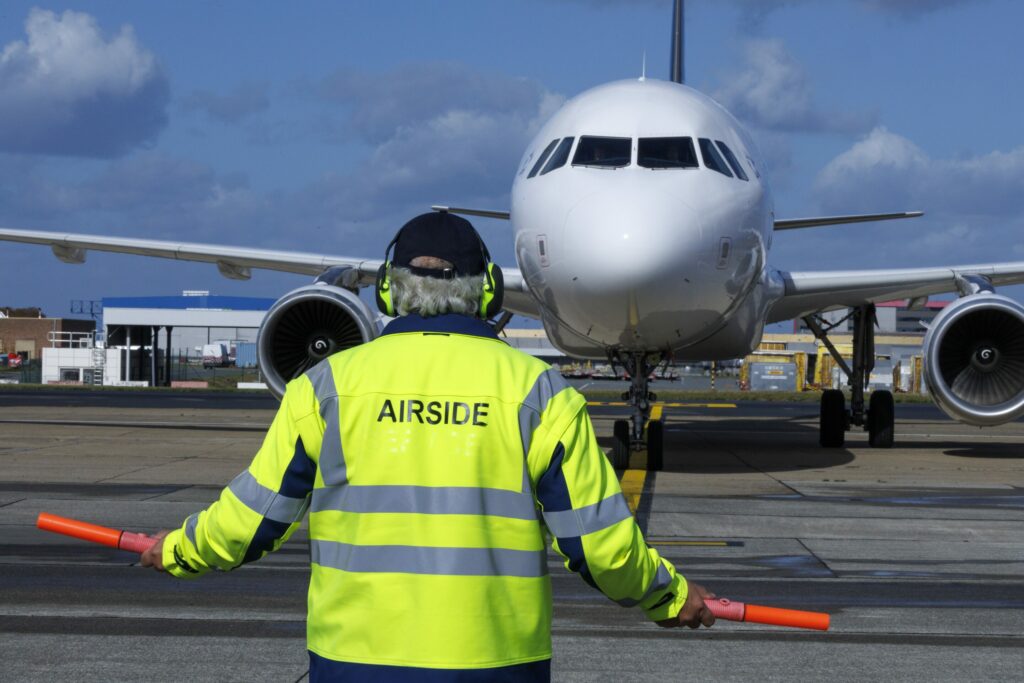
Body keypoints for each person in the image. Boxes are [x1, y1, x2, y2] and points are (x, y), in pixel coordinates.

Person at [141, 211, 714, 682]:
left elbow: (251, 521)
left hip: (355, 663)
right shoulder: (539, 394)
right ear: (489, 290)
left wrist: (179, 549)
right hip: (495, 665)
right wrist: (669, 595)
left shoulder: (326, 388)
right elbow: (604, 551)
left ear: (388, 288)